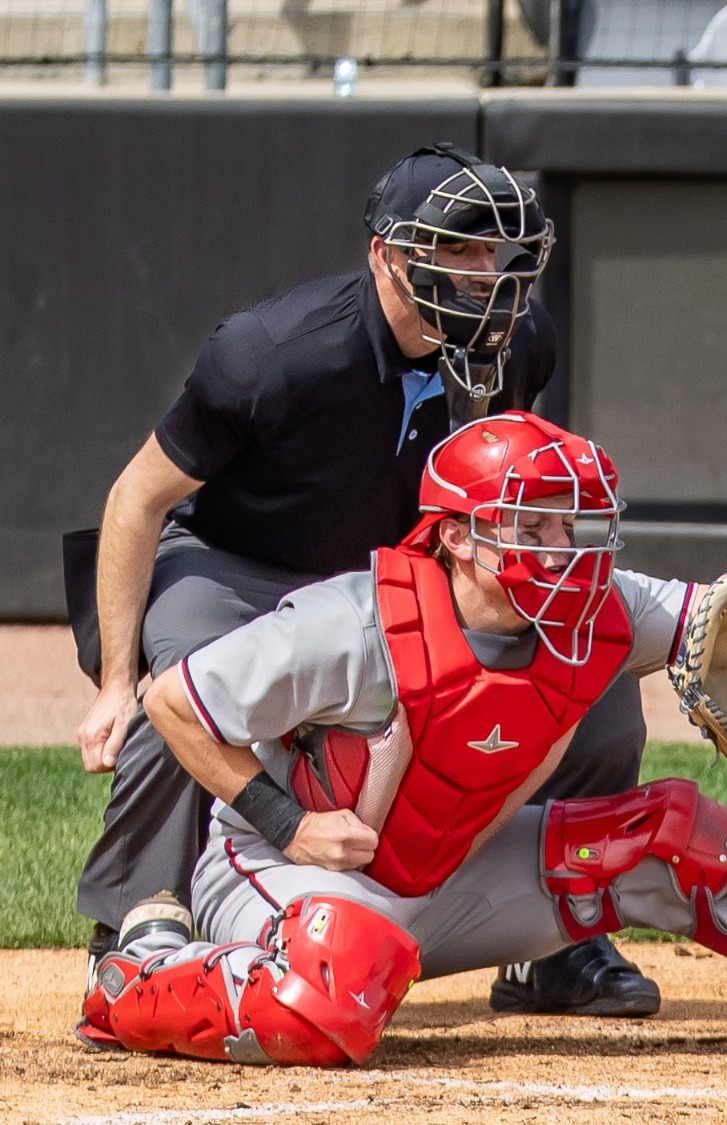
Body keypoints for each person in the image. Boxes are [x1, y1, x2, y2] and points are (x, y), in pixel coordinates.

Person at [76, 411, 727, 1065]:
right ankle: (142, 970)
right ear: (451, 535)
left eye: (572, 525)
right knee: (339, 987)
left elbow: (719, 614)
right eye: (531, 526)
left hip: (458, 880)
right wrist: (286, 822)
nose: (563, 550)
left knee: (668, 834)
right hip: (291, 884)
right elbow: (178, 701)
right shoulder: (353, 622)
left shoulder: (600, 607)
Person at [71, 143, 661, 1019]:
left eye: (497, 253)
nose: (486, 274)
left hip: (396, 577)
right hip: (242, 564)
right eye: (459, 250)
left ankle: (560, 944)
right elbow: (137, 498)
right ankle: (135, 926)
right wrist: (117, 681)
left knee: (595, 695)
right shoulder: (273, 352)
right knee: (187, 682)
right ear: (388, 255)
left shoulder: (518, 343)